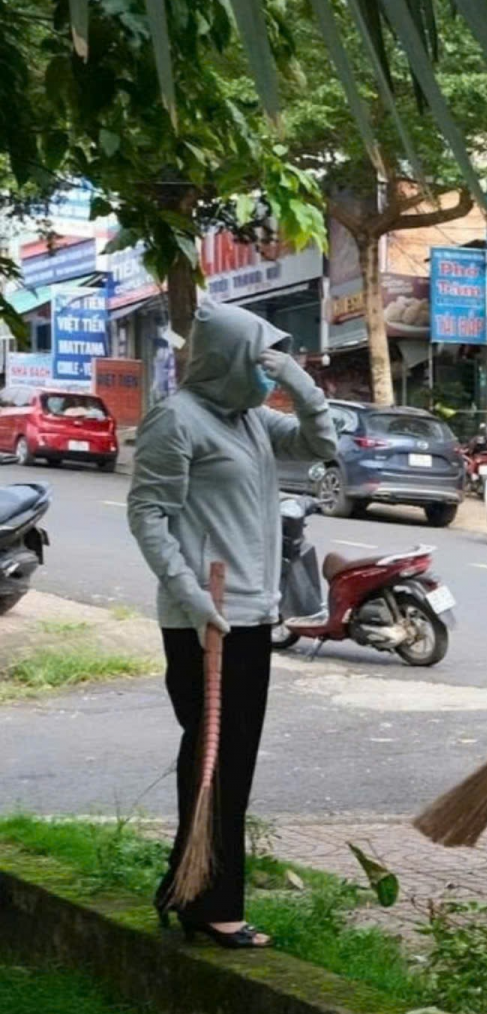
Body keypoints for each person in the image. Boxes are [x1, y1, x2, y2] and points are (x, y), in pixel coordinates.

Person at [128, 301, 338, 947]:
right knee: (216, 754)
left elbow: (319, 444)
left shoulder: (250, 419)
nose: (263, 373)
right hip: (205, 618)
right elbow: (148, 512)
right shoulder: (178, 418)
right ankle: (211, 901)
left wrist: (299, 383)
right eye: (257, 360)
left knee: (228, 757)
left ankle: (188, 887)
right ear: (225, 361)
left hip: (249, 611)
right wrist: (191, 595)